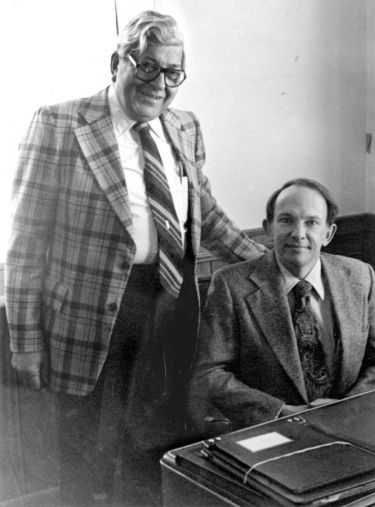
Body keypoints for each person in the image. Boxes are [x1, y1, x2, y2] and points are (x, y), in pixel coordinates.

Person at [4, 10, 265, 506]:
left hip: (172, 306)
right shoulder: (59, 123)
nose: (159, 83)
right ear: (116, 62)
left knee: (154, 439)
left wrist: (266, 263)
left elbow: (204, 213)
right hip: (90, 315)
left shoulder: (185, 126)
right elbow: (25, 244)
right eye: (145, 65)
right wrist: (25, 343)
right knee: (81, 449)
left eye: (172, 73)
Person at [189, 178, 375, 434]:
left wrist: (346, 407)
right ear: (269, 228)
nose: (298, 233)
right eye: (286, 220)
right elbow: (208, 374)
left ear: (328, 234)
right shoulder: (231, 285)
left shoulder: (360, 276)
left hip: (351, 427)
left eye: (311, 222)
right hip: (269, 433)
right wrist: (278, 412)